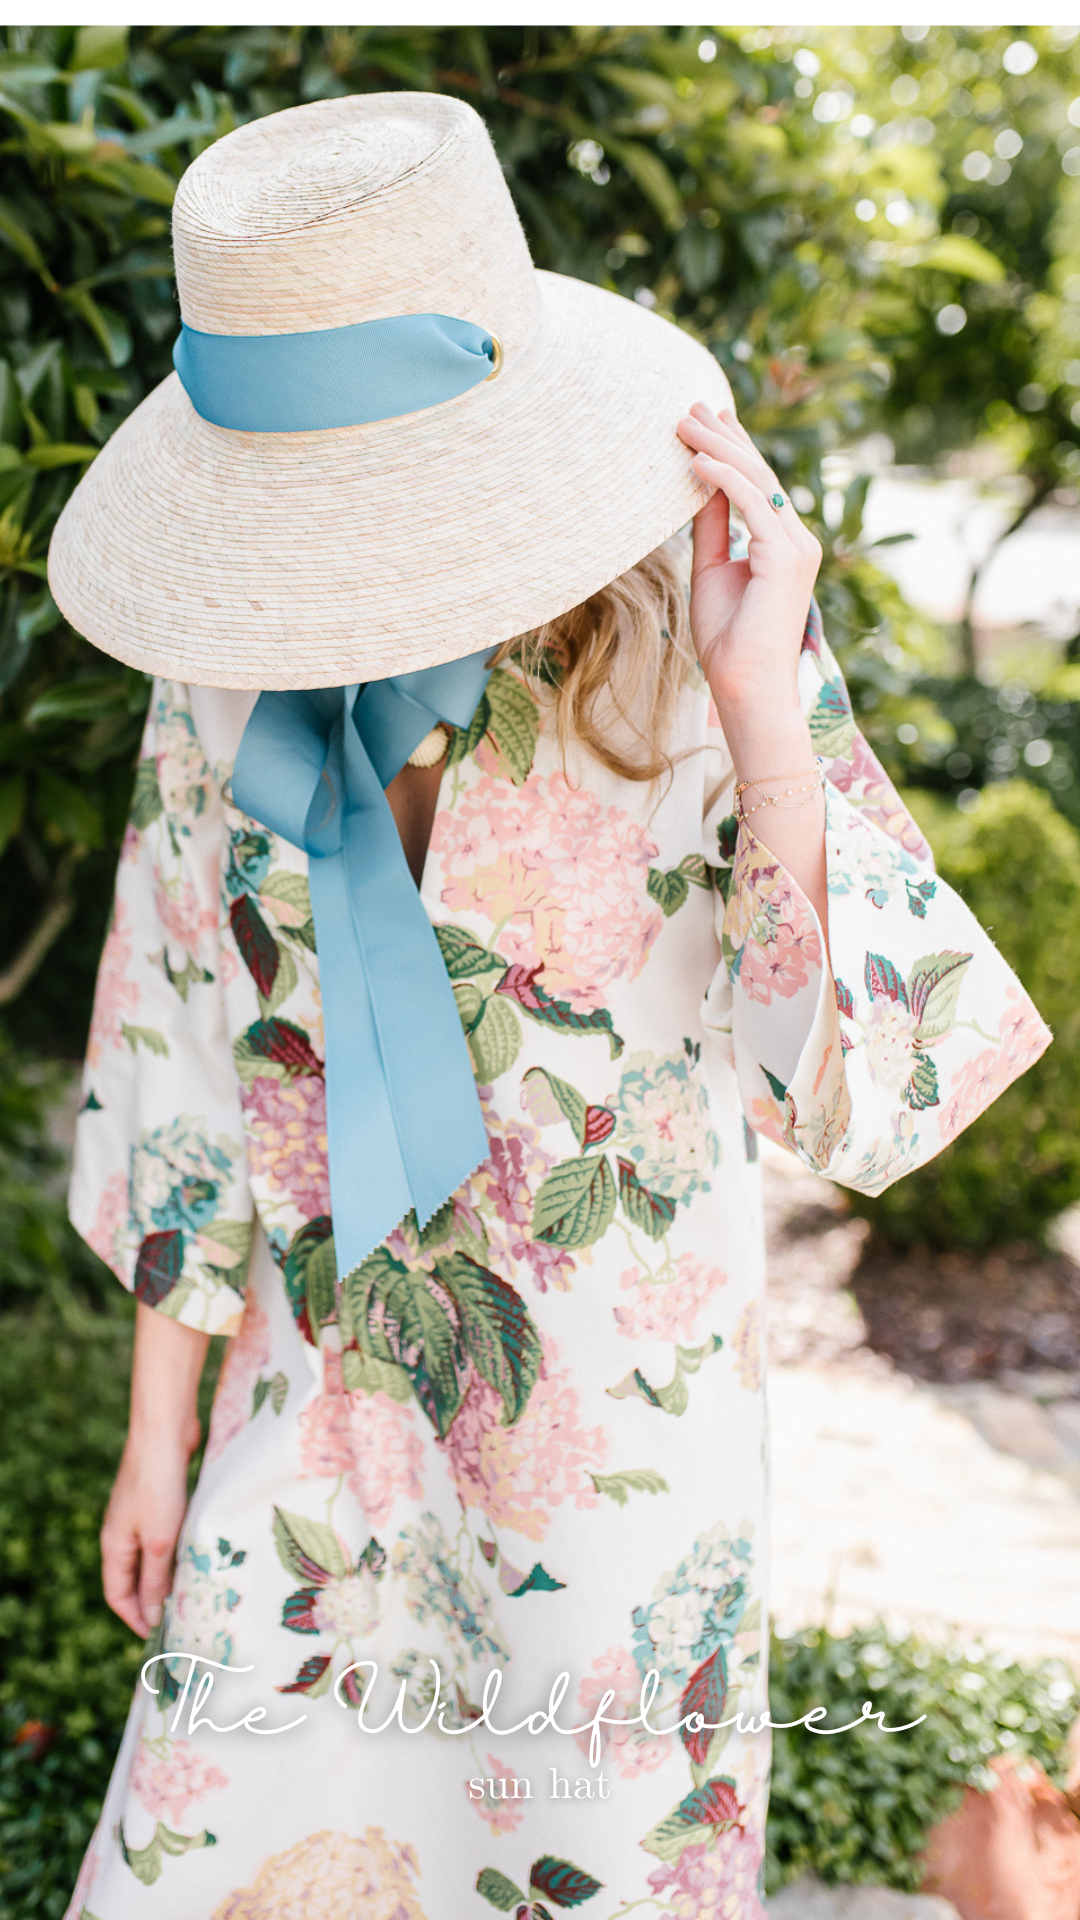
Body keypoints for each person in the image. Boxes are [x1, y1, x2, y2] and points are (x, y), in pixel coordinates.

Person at [50, 93, 1049, 1920]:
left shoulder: (689, 610)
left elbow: (843, 1078)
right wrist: (155, 1429)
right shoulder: (217, 677)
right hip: (322, 1388)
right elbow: (179, 1038)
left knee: (572, 1865)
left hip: (608, 1419)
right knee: (208, 1868)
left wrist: (767, 706)